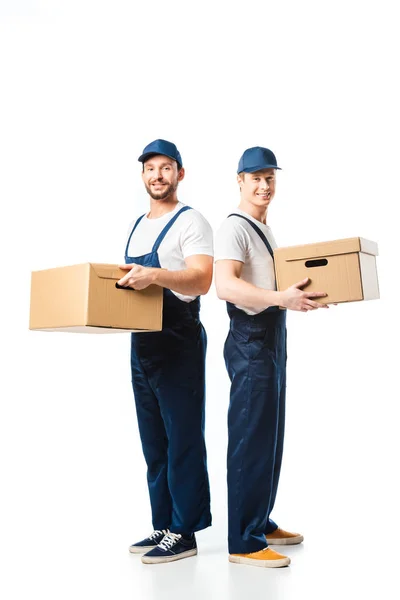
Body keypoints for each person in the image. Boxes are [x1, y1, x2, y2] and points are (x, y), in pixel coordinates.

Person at [214, 146, 328, 568]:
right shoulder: (233, 228)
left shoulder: (264, 228)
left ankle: (259, 521)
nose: (264, 186)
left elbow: (274, 288)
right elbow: (225, 286)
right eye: (255, 178)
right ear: (239, 181)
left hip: (271, 338)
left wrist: (305, 296)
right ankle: (243, 542)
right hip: (249, 340)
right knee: (249, 439)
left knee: (270, 437)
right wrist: (281, 298)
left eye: (270, 178)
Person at [118, 139, 213, 564]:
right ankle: (163, 523)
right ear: (142, 176)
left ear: (180, 174)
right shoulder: (138, 223)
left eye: (166, 167)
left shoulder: (191, 222)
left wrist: (154, 274)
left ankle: (185, 530)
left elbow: (200, 280)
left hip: (178, 343)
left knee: (183, 439)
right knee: (153, 441)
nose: (158, 175)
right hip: (142, 344)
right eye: (150, 168)